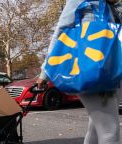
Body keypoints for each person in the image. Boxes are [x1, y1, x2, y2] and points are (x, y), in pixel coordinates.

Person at [36, 0, 122, 144]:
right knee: (110, 132)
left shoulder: (111, 6)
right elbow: (61, 30)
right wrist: (45, 72)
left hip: (108, 73)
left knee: (95, 130)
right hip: (89, 72)